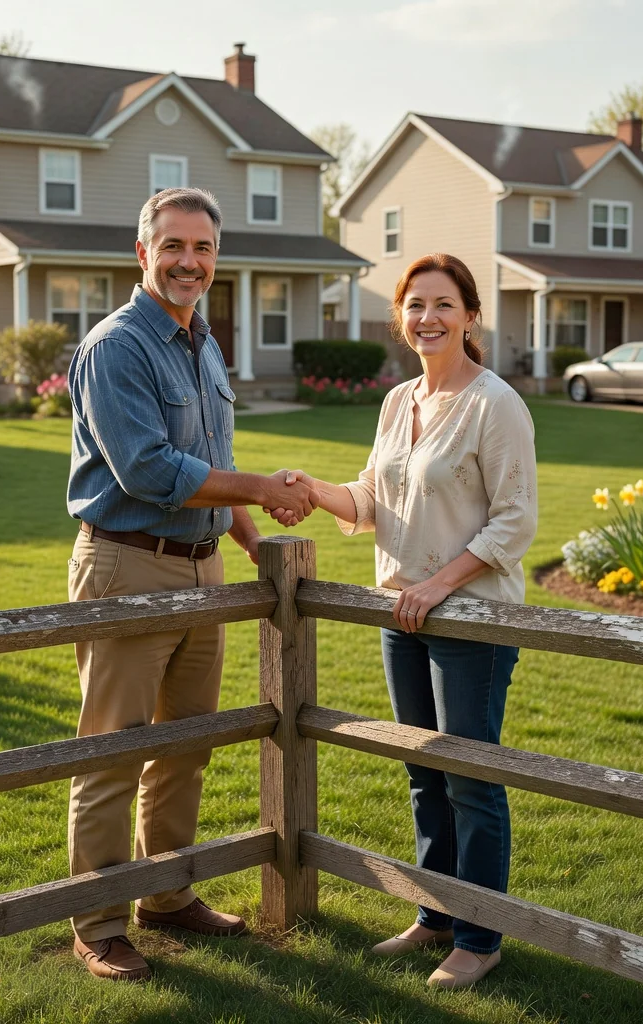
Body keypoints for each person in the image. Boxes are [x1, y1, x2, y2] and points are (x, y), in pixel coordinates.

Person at [66, 186, 317, 983]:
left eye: (203, 249)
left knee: (183, 748)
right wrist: (256, 489)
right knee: (113, 752)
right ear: (143, 253)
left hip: (200, 568)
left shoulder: (203, 344)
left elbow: (207, 450)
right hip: (128, 563)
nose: (189, 262)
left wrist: (247, 536)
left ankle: (166, 895)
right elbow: (148, 470)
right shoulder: (117, 347)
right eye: (173, 246)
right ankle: (99, 923)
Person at [269, 253, 537, 989]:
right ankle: (435, 915)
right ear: (401, 317)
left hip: (470, 622)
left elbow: (515, 523)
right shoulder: (398, 403)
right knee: (424, 772)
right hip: (403, 614)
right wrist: (311, 489)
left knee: (471, 779)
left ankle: (481, 938)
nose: (429, 318)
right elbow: (372, 498)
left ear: (470, 316)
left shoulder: (494, 404)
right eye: (415, 305)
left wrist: (440, 585)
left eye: (444, 304)